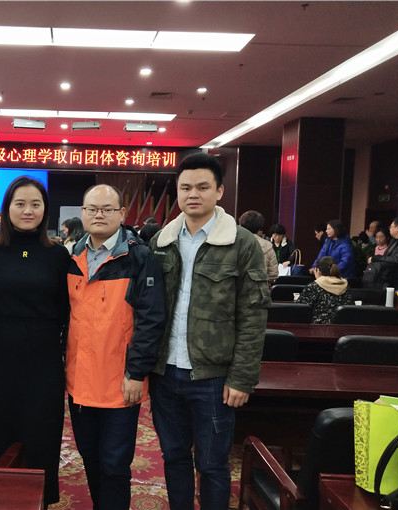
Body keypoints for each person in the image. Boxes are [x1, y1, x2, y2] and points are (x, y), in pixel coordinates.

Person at [148, 152, 270, 510]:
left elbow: (253, 316)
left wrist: (242, 378)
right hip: (165, 372)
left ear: (219, 191)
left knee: (213, 465)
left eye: (202, 187)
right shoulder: (162, 242)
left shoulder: (241, 243)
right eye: (185, 187)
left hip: (213, 378)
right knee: (173, 457)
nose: (193, 194)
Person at [67, 184, 166, 510]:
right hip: (79, 381)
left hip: (120, 382)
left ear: (122, 214)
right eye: (92, 208)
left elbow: (151, 320)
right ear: (83, 213)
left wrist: (136, 373)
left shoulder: (139, 257)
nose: (99, 214)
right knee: (90, 457)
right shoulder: (73, 255)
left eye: (107, 209)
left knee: (114, 464)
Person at [0, 177, 70, 506]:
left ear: (45, 210)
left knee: (41, 430)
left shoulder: (58, 254)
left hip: (44, 356)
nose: (27, 210)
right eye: (20, 204)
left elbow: (66, 309)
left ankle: (40, 499)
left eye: (35, 204)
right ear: (7, 209)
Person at [297, 256, 353, 323]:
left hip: (316, 327)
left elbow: (299, 309)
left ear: (318, 271)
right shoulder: (346, 285)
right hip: (342, 328)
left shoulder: (313, 286)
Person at [364, 216, 398, 289]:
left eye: (391, 227)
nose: (389, 229)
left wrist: (377, 258)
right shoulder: (394, 240)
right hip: (389, 279)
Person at [239, 210, 278, 281]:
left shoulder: (233, 242)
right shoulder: (267, 246)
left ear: (241, 225)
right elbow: (273, 274)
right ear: (260, 228)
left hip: (235, 286)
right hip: (260, 286)